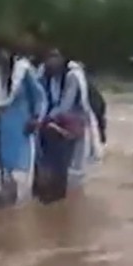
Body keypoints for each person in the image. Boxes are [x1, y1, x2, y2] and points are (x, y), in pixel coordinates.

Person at [0, 37, 46, 204]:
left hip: (23, 130)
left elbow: (40, 97)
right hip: (2, 131)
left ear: (9, 52)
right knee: (5, 178)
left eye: (1, 51)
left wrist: (36, 118)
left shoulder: (23, 70)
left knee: (22, 179)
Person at [34, 47, 104, 204]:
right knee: (49, 159)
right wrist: (41, 118)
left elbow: (67, 103)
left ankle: (66, 197)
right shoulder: (44, 73)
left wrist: (46, 119)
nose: (51, 62)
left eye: (55, 58)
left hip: (74, 121)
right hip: (52, 122)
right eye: (48, 59)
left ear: (62, 59)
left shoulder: (73, 75)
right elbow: (41, 97)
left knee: (72, 165)